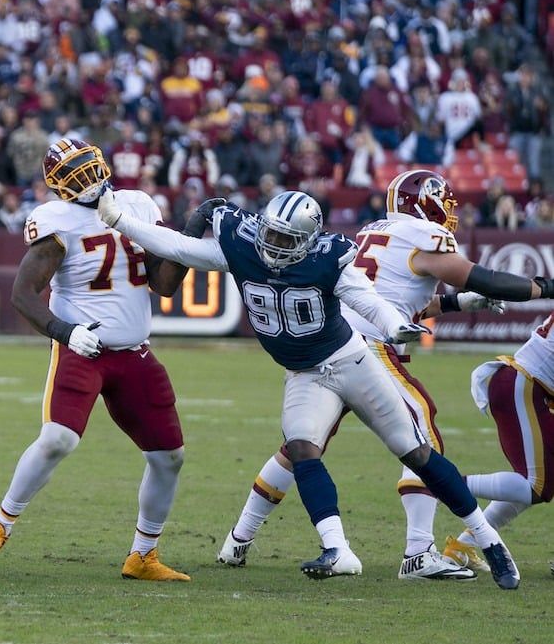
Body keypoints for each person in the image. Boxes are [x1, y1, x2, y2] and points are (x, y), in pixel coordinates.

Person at [99, 189, 522, 589]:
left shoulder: (328, 258)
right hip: (304, 374)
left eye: (286, 237)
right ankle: (337, 549)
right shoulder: (243, 246)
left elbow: (367, 300)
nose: (275, 243)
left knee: (416, 452)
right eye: (271, 232)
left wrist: (395, 327)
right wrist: (118, 218)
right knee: (301, 448)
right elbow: (174, 246)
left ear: (307, 240)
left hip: (353, 362)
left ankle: (490, 542)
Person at [217, 170, 554, 579]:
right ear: (425, 203)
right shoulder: (424, 237)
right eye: (443, 204)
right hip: (367, 350)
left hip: (333, 341)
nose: (448, 214)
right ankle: (419, 552)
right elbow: (485, 277)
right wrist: (542, 286)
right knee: (422, 435)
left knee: (300, 447)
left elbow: (402, 303)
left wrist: (459, 304)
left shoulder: (375, 232)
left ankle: (237, 539)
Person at [0, 138, 194, 581]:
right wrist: (66, 333)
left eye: (89, 166)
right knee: (58, 439)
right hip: (83, 348)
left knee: (170, 457)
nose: (86, 179)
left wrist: (188, 237)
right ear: (55, 186)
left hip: (134, 352)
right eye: (73, 172)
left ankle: (143, 555)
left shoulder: (139, 204)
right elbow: (22, 295)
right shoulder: (56, 220)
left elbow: (163, 285)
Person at [443, 313, 554, 566]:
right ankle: (438, 481)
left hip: (528, 387)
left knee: (539, 480)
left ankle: (463, 546)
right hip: (524, 387)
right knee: (537, 485)